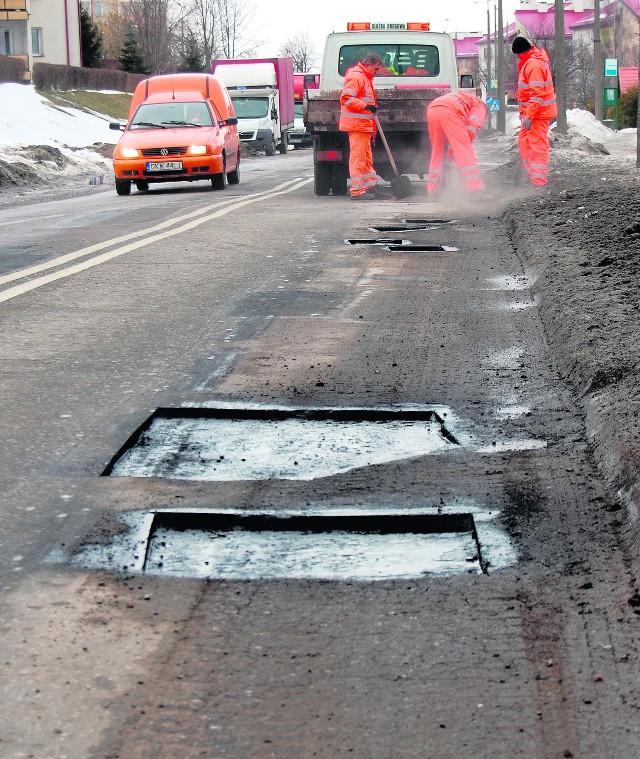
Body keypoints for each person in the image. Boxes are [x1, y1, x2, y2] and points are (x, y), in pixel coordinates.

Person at [511, 36, 557, 187]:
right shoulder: (531, 63)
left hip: (537, 115)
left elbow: (537, 94)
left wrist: (529, 116)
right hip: (531, 115)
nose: (517, 58)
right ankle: (533, 177)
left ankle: (538, 181)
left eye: (517, 54)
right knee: (525, 143)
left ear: (521, 52)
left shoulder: (534, 65)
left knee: (537, 146)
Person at [425, 91, 488, 197]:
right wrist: (455, 150)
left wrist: (450, 150)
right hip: (450, 111)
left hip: (432, 109)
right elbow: (472, 127)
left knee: (437, 152)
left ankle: (433, 191)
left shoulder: (465, 97)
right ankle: (476, 190)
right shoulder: (480, 106)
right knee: (464, 151)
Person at [339, 52, 384, 200]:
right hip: (357, 125)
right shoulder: (357, 76)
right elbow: (346, 98)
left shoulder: (364, 77)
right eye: (376, 68)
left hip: (363, 126)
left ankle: (370, 187)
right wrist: (366, 106)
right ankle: (357, 192)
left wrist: (368, 107)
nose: (377, 72)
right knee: (358, 159)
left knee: (365, 159)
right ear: (368, 64)